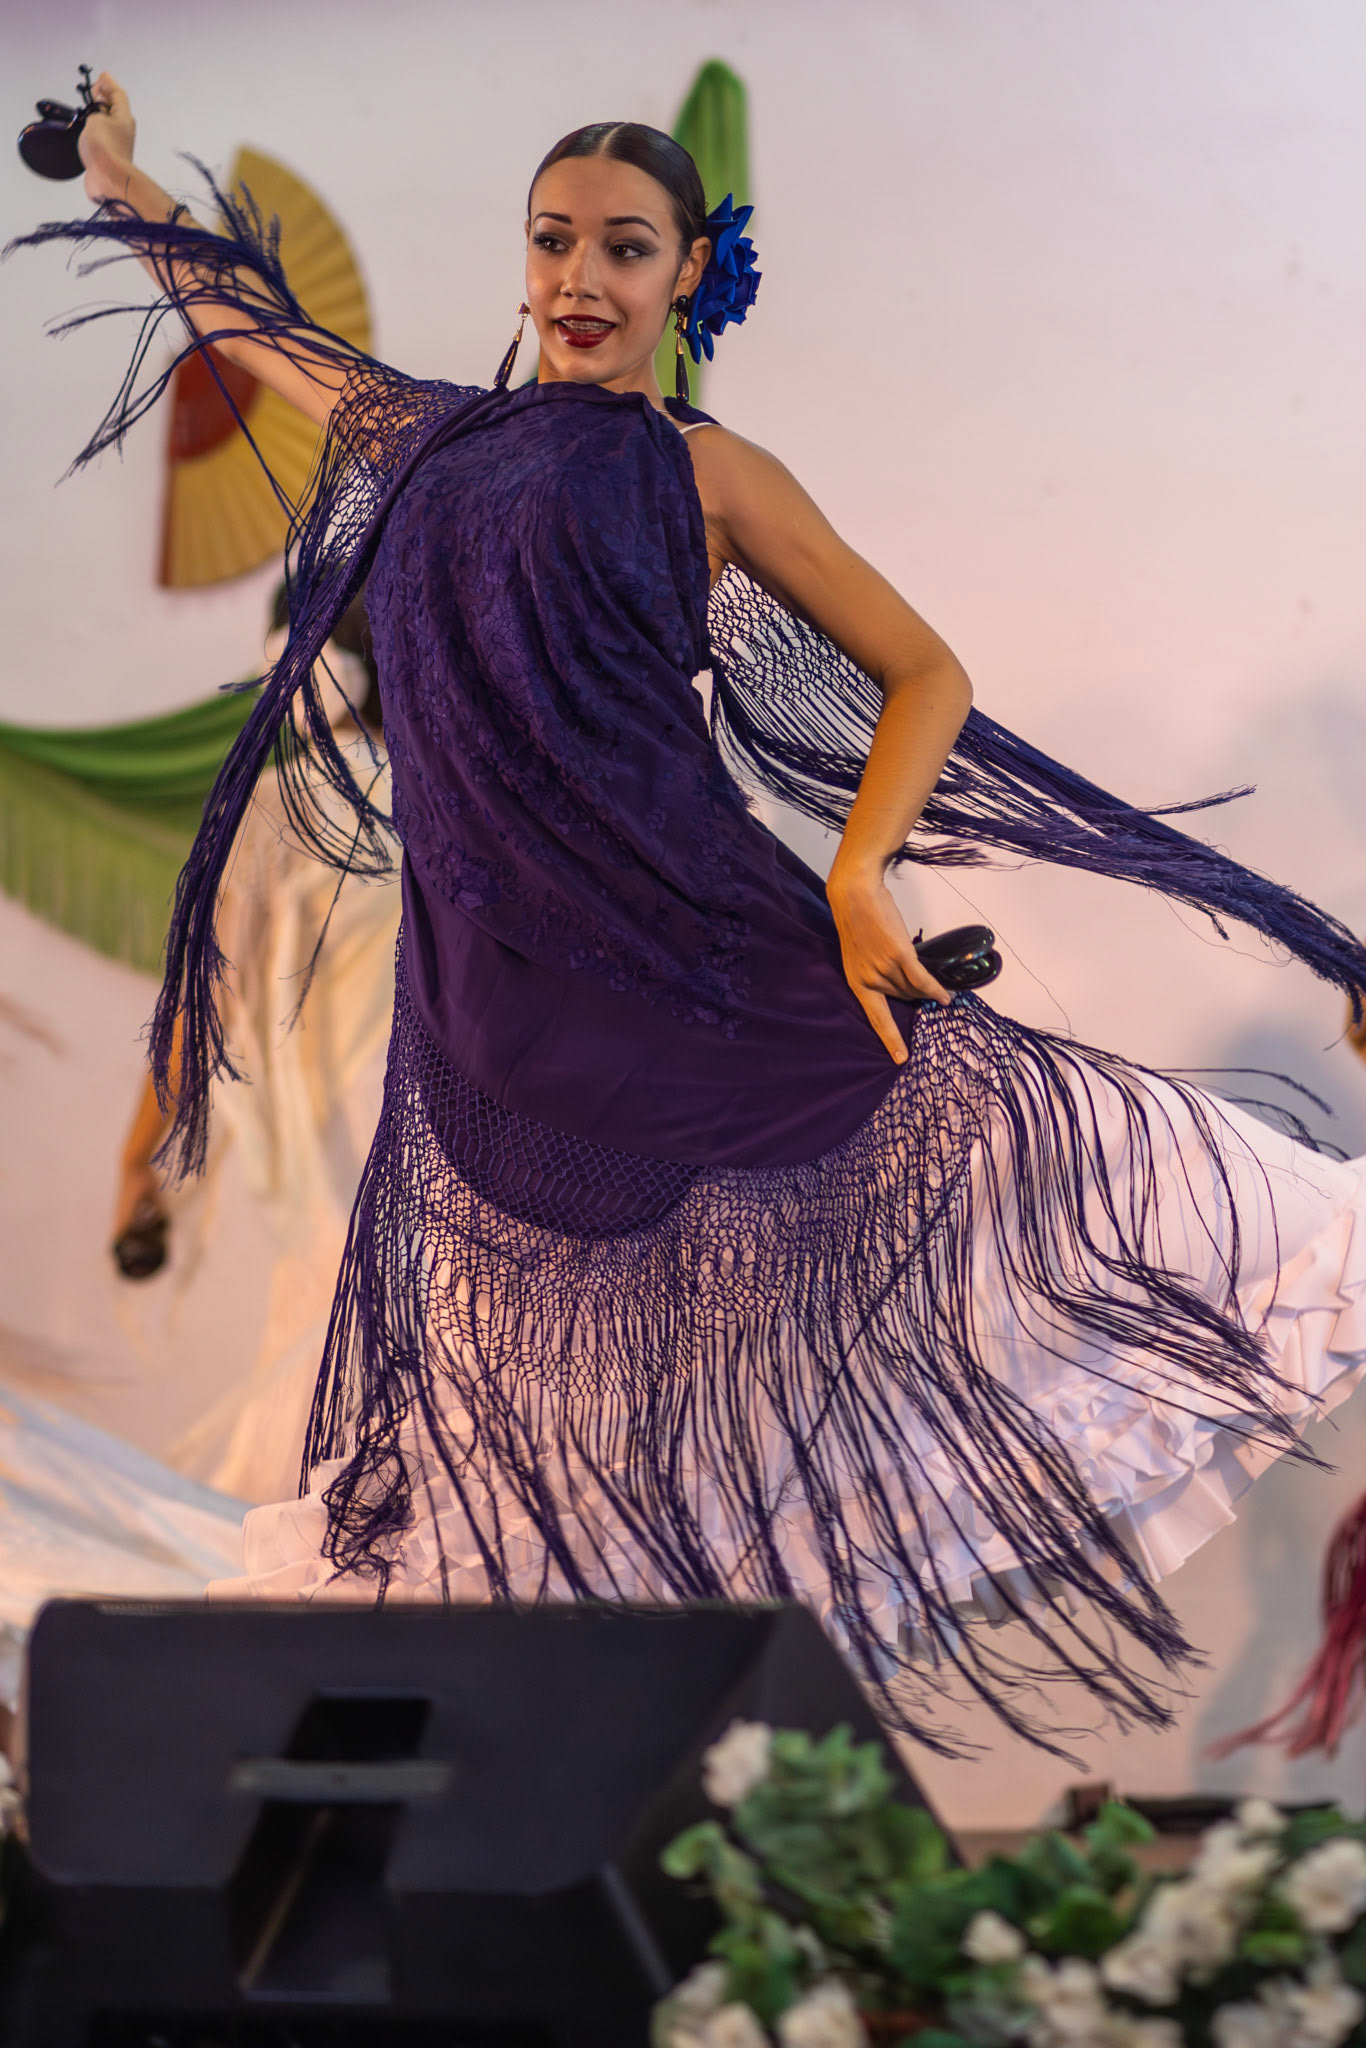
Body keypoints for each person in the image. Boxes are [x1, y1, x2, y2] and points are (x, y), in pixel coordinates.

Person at [21, 74, 1366, 1750]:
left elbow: (926, 672)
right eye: (553, 241)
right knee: (513, 1423)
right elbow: (238, 310)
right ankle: (564, 1746)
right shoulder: (418, 433)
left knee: (1069, 1180)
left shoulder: (708, 469)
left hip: (697, 950)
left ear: (684, 273)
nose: (581, 277)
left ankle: (655, 1732)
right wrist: (117, 169)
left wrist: (859, 874)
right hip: (491, 1013)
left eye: (624, 247)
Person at [111, 586, 401, 1504]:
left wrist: (138, 1167)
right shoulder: (458, 799)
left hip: (339, 1159)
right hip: (457, 1147)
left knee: (323, 1411)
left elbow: (205, 1010)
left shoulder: (279, 806)